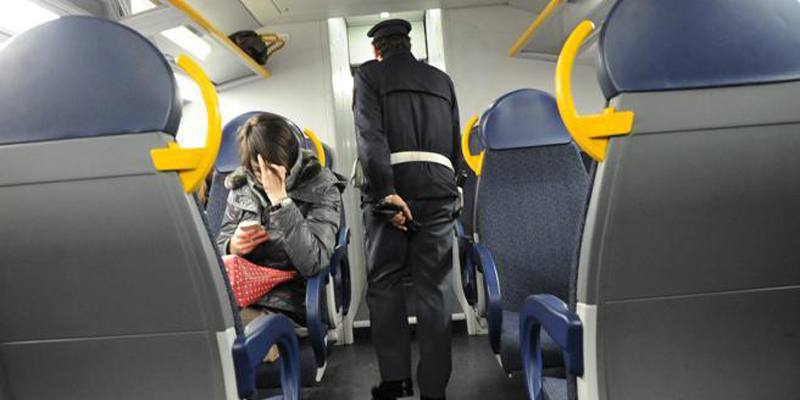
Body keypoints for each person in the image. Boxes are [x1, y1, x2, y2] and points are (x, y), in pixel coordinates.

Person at [353, 19, 461, 400]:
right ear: (410, 45)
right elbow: (454, 141)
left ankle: (396, 381)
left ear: (377, 49)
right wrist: (453, 188)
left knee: (385, 285)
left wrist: (385, 192)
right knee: (434, 290)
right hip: (438, 191)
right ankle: (434, 390)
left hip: (391, 191)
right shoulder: (441, 80)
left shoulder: (370, 75)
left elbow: (369, 133)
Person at [216, 113, 343, 326]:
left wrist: (281, 201)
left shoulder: (321, 187)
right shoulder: (241, 186)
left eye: (271, 169)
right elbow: (218, 248)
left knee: (231, 331)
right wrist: (231, 246)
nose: (263, 177)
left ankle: (257, 331)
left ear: (289, 161)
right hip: (240, 294)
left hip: (289, 297)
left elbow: (313, 263)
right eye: (257, 171)